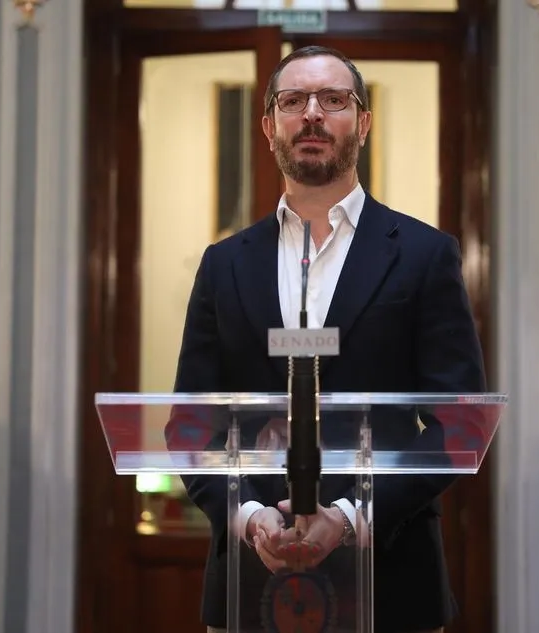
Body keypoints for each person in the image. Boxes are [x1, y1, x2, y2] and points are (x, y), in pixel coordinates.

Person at [172, 46, 486, 633]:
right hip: (249, 579)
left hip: (393, 579)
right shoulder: (224, 265)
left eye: (333, 100)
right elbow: (190, 425)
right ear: (269, 126)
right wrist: (248, 517)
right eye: (293, 101)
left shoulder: (423, 256)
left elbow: (461, 424)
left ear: (362, 122)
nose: (312, 114)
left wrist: (348, 516)